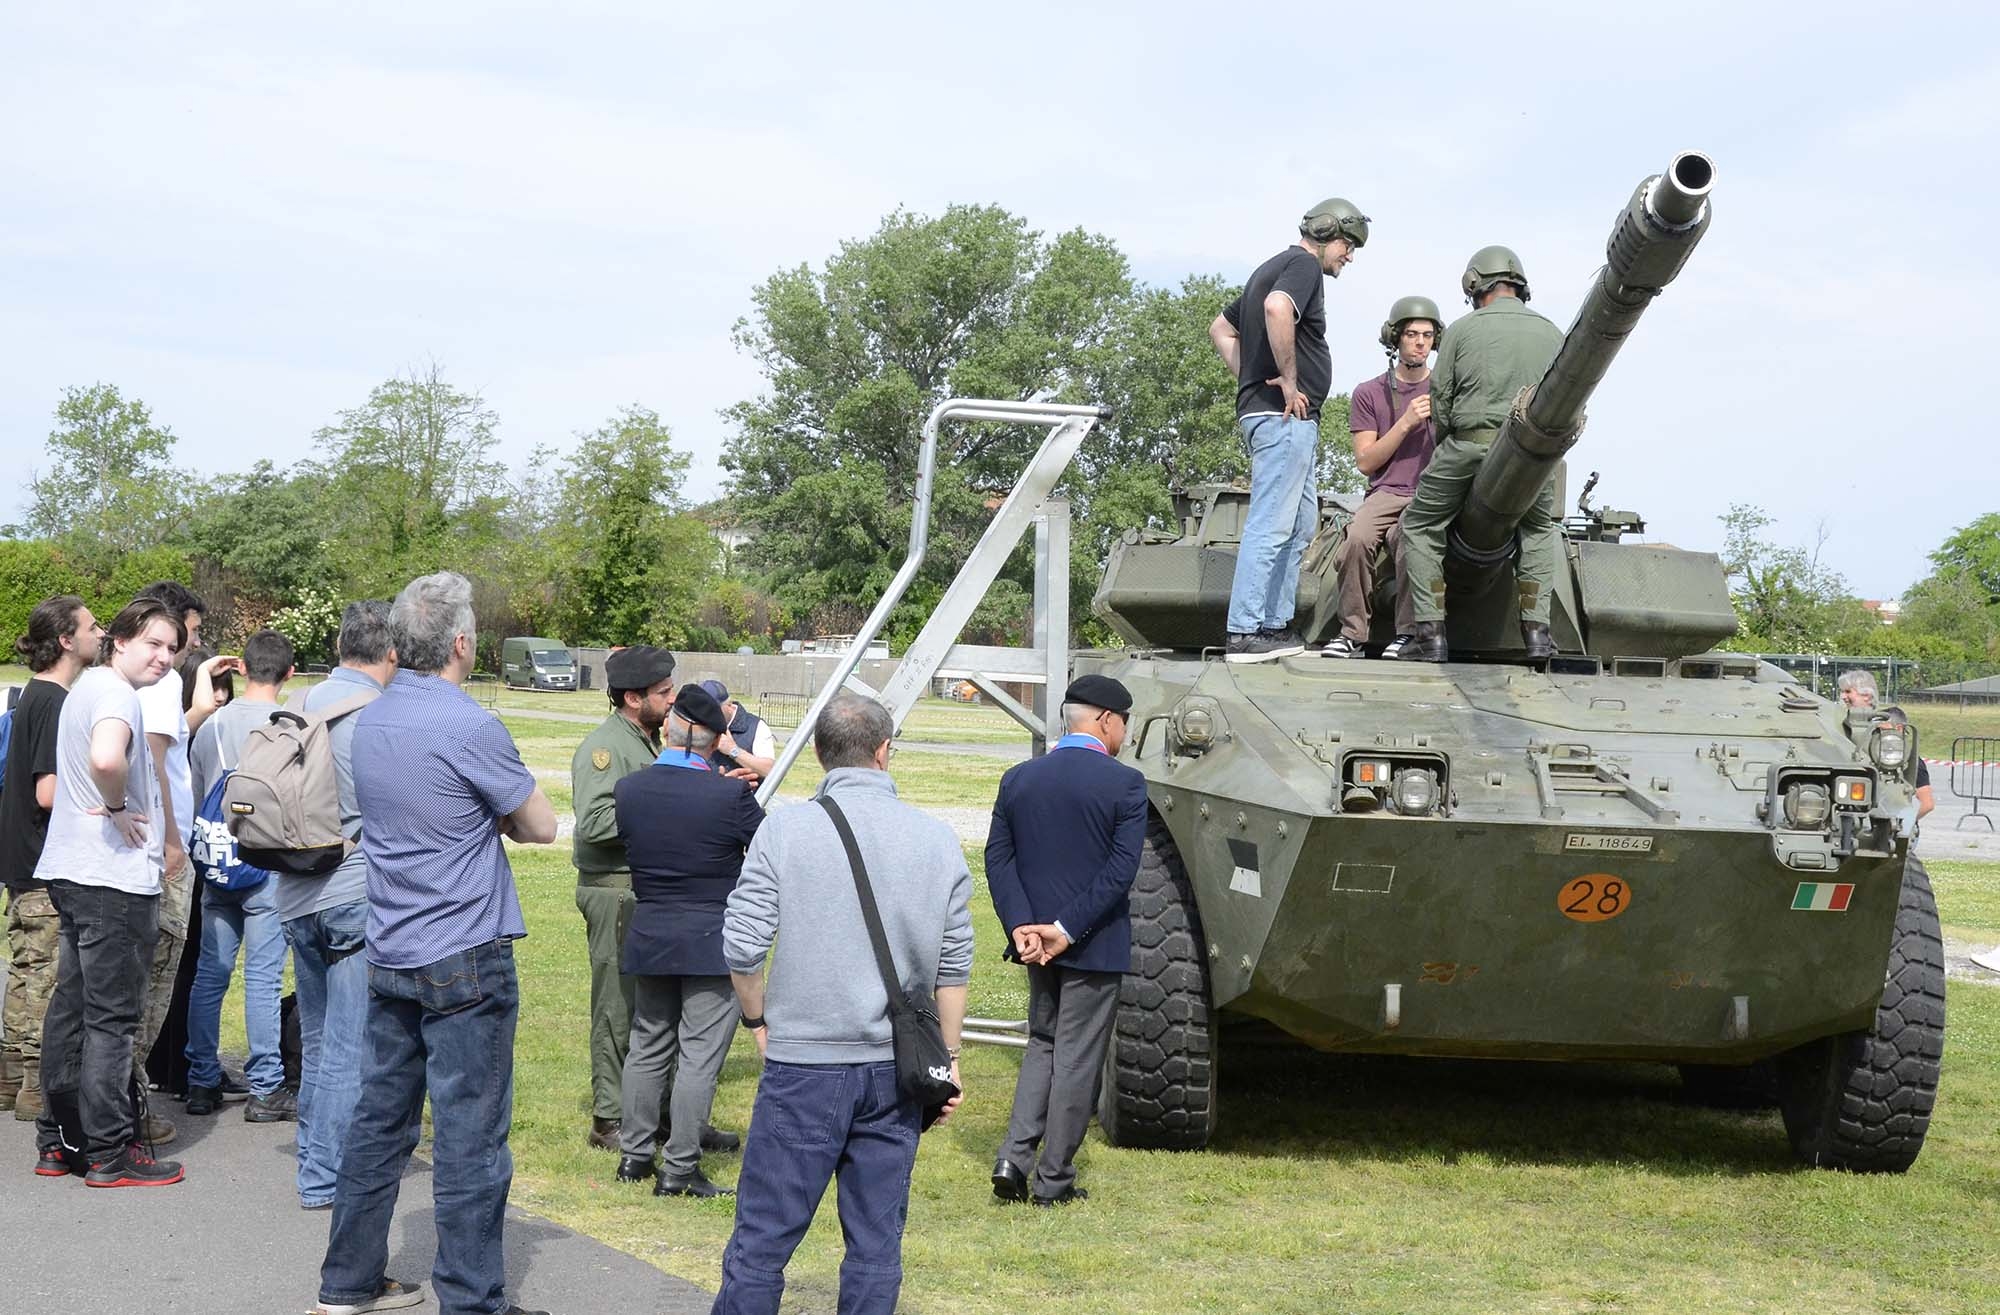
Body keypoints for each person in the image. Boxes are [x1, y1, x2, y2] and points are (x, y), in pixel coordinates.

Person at [311, 571, 556, 1315]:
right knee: (470, 1136)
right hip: (464, 951)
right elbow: (541, 825)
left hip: (391, 944)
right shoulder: (469, 724)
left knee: (379, 1122)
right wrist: (495, 816)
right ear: (461, 643)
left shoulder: (373, 717)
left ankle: (348, 1280)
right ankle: (472, 1299)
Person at [712, 692, 972, 1315]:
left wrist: (757, 1020)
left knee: (762, 1244)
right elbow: (953, 963)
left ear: (820, 755)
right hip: (896, 1069)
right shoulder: (937, 840)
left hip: (804, 1063)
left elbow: (742, 946)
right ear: (884, 752)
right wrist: (950, 1057)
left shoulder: (784, 829)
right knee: (876, 1247)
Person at [32, 597, 186, 1186]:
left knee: (71, 1009)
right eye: (153, 643)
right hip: (110, 881)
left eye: (172, 648)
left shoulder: (88, 688)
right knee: (111, 1020)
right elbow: (104, 759)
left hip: (74, 872)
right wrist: (119, 806)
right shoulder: (117, 695)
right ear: (119, 640)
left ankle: (59, 1140)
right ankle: (107, 1151)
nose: (164, 657)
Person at [985, 674, 1147, 1206]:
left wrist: (1022, 926)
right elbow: (1120, 872)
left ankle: (1013, 1159)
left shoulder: (1018, 778)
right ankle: (1053, 1180)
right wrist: (1065, 929)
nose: (1125, 733)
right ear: (1106, 719)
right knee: (1077, 1056)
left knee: (1043, 1043)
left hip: (1034, 943)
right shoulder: (1126, 784)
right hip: (1091, 944)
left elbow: (999, 859)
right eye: (1124, 722)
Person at [613, 682, 764, 1198]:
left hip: (651, 930)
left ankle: (634, 1156)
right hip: (707, 938)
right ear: (714, 741)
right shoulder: (730, 796)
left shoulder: (629, 790)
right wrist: (735, 793)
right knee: (699, 1055)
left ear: (670, 731)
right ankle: (679, 1168)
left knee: (647, 1046)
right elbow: (766, 848)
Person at [1209, 197, 1371, 664]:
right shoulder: (1303, 266)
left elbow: (1220, 329)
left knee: (1299, 526)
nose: (1349, 256)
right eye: (1348, 244)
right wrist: (1287, 382)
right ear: (1326, 233)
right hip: (1283, 419)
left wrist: (1251, 378)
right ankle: (1244, 632)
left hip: (1280, 419)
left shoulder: (1268, 268)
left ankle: (1273, 625)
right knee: (1271, 524)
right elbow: (1279, 308)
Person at [1397, 247, 1565, 663]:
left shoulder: (1461, 329)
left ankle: (1430, 634)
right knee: (1538, 530)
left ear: (1475, 284)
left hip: (1468, 445)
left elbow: (1441, 397)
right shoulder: (1552, 332)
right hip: (1533, 457)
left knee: (1420, 524)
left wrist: (1448, 448)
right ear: (1519, 285)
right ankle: (1537, 634)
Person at [285, 601, 395, 1211]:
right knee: (351, 1047)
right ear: (393, 651)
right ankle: (324, 1177)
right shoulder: (379, 716)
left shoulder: (299, 702)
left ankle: (313, 1156)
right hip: (352, 892)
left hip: (293, 891)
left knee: (320, 1040)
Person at [183, 628, 296, 1123]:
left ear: (242, 668)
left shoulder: (211, 725)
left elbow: (197, 791)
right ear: (289, 673)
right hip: (266, 861)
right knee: (263, 978)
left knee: (210, 973)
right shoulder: (289, 728)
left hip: (217, 857)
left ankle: (201, 1078)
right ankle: (265, 1086)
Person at [569, 644, 680, 1151]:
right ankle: (609, 1119)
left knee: (653, 1007)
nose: (672, 698)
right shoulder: (606, 749)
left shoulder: (645, 741)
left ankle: (661, 1114)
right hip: (615, 892)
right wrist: (663, 812)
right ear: (633, 698)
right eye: (663, 692)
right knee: (617, 1007)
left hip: (642, 890)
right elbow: (594, 823)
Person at [1, 596, 104, 1125]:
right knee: (48, 978)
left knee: (26, 972)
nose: (100, 633)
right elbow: (49, 791)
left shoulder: (34, 694)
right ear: (66, 640)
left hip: (22, 859)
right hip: (45, 862)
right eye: (92, 626)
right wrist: (105, 802)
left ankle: (10, 1078)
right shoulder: (57, 702)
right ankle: (36, 1090)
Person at [130, 581, 222, 1122]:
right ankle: (128, 1113)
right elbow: (153, 762)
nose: (191, 643)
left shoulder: (116, 683)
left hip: (131, 852)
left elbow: (160, 746)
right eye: (191, 629)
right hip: (158, 857)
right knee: (153, 983)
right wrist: (170, 843)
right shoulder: (162, 683)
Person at [1326, 297, 1444, 659]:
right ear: (1395, 338)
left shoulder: (1446, 392)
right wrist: (1406, 422)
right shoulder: (1370, 393)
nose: (1420, 343)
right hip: (1386, 491)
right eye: (1411, 334)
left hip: (1430, 493)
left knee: (1408, 538)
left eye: (1427, 335)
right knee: (1356, 540)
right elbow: (1366, 461)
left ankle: (1408, 633)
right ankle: (1352, 633)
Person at [1839, 674, 1936, 826]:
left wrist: (1905, 825)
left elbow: (1927, 804)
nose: (1876, 735)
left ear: (1899, 729)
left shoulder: (1908, 760)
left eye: (1881, 730)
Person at [701, 679, 778, 780]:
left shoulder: (756, 726)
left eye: (712, 709)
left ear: (729, 705)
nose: (705, 714)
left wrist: (733, 750)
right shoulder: (695, 723)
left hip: (744, 789)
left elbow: (769, 770)